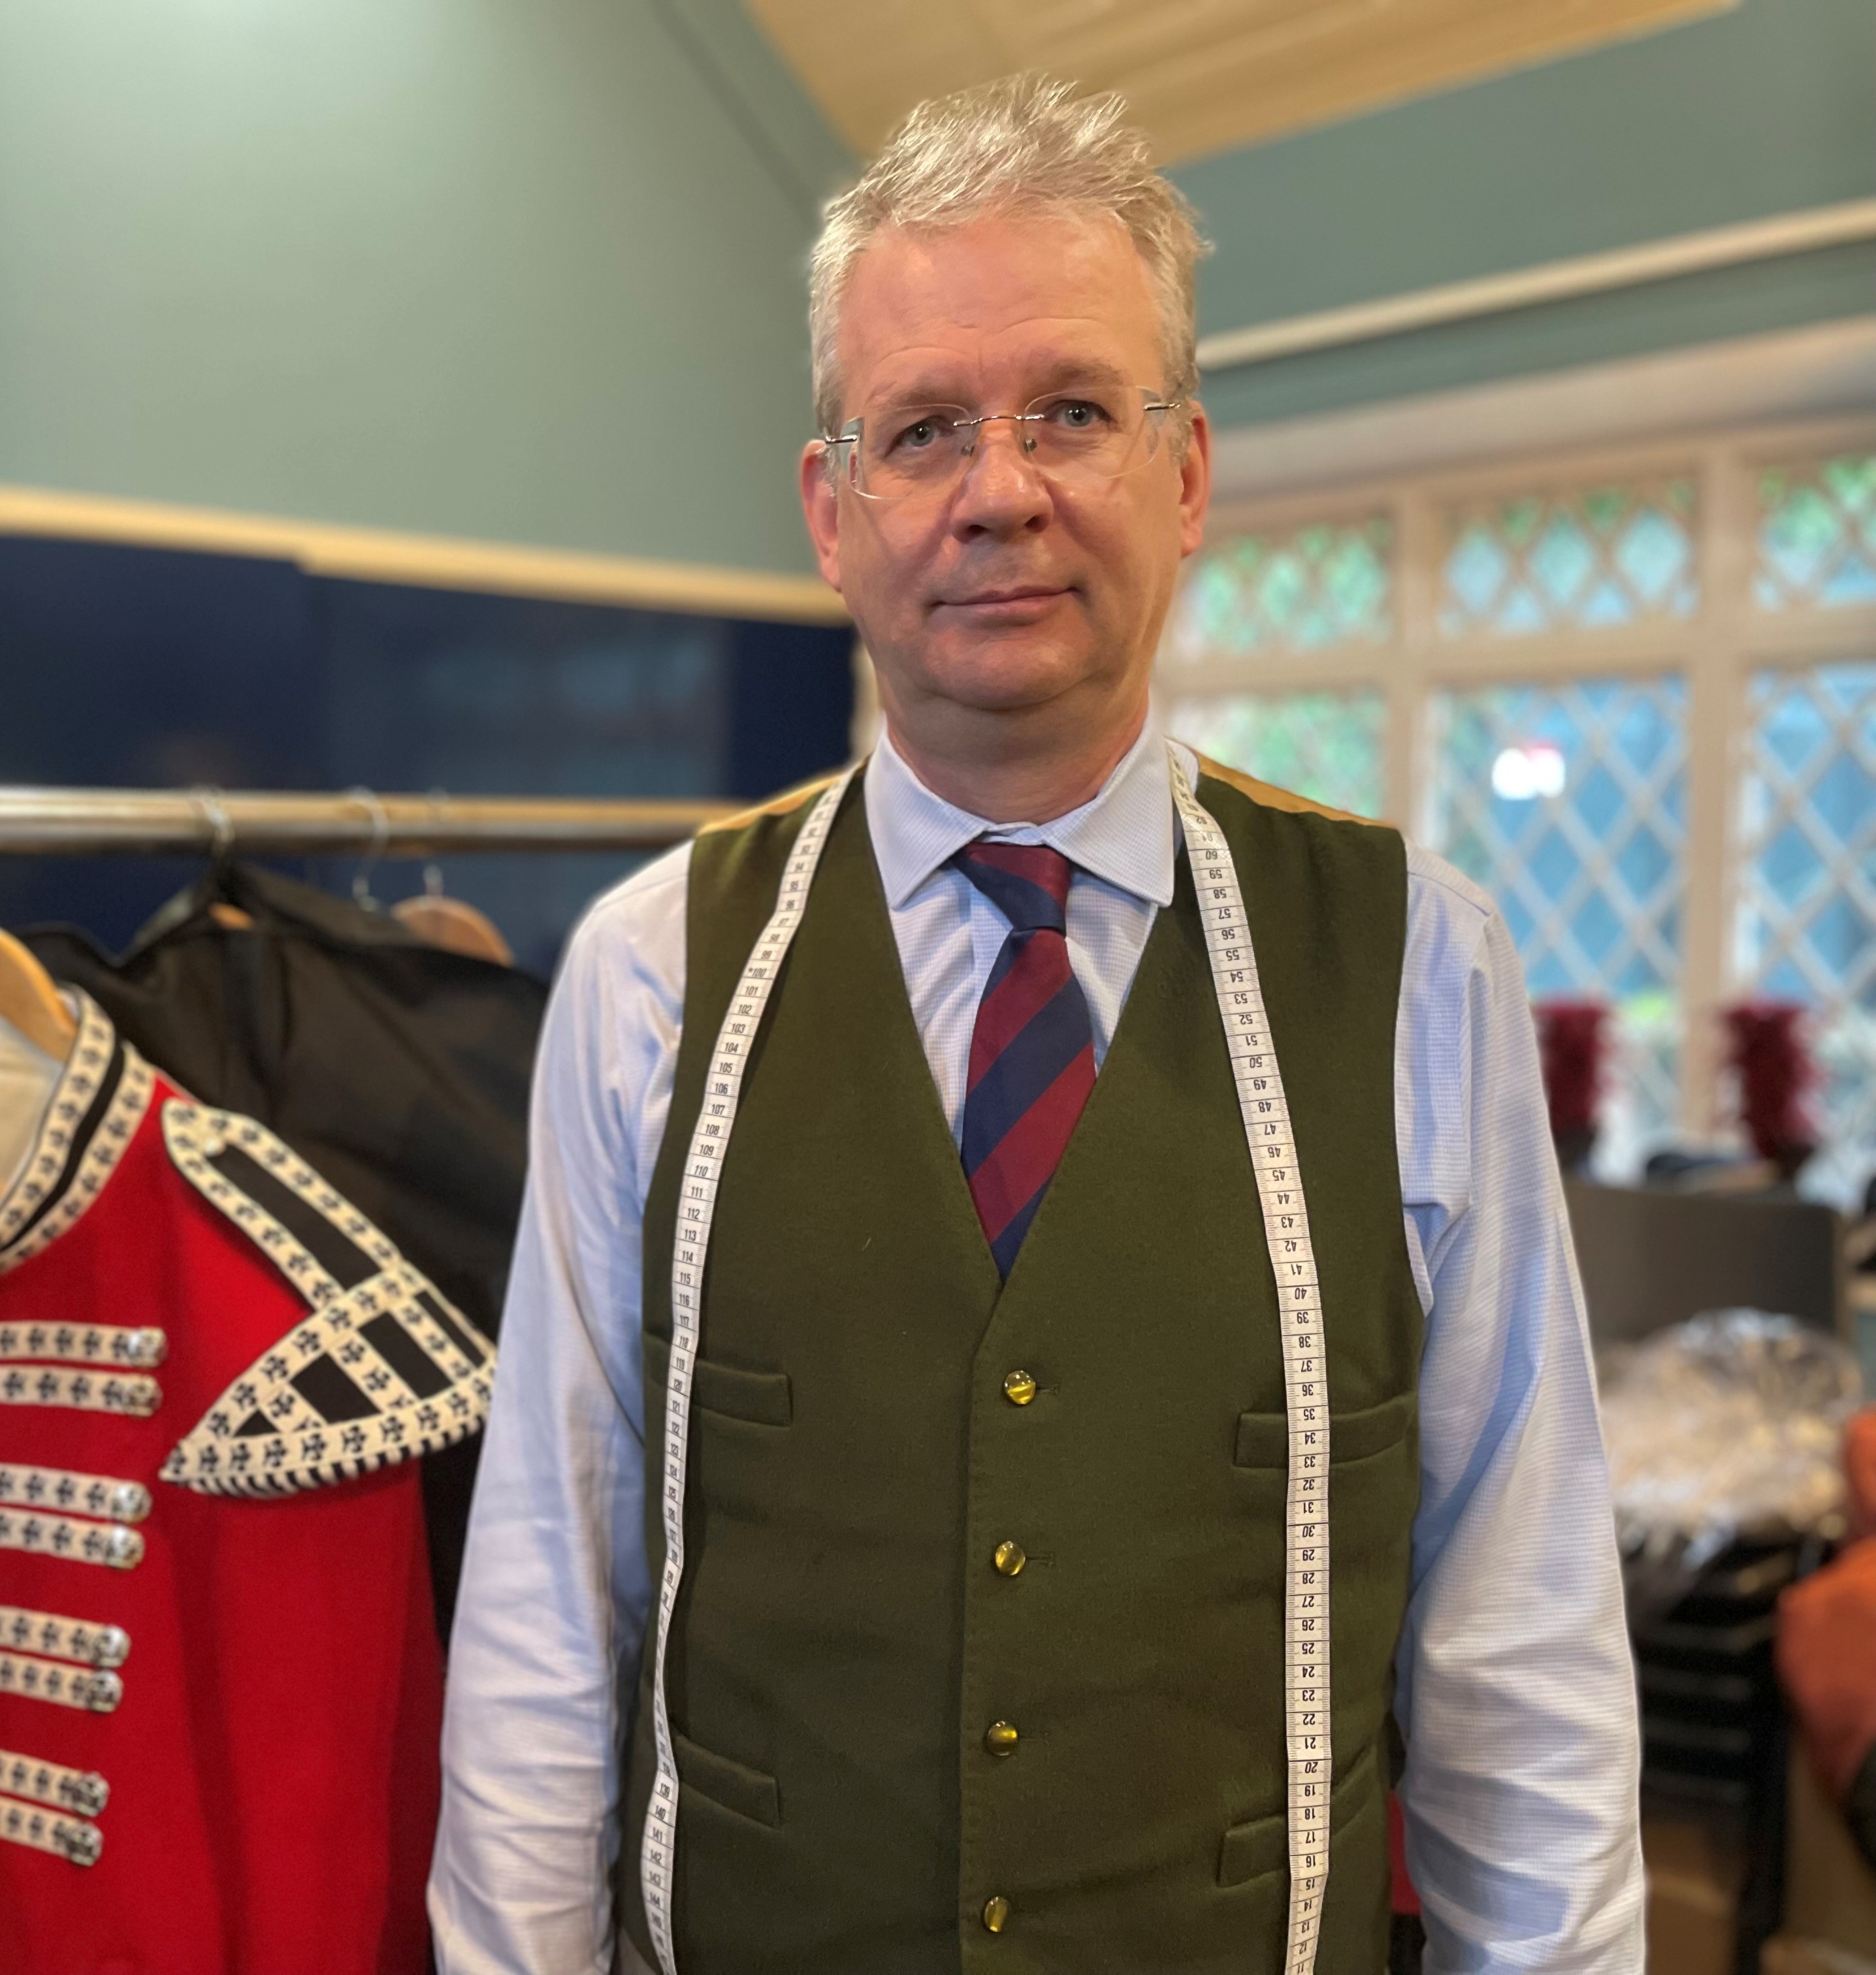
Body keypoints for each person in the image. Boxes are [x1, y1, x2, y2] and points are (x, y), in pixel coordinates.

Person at [429, 74, 1643, 1975]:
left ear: (1186, 469)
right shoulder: (654, 970)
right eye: (923, 431)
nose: (1001, 488)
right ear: (834, 515)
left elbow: (1519, 1634)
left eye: (1073, 408)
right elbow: (545, 1613)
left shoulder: (1416, 963)